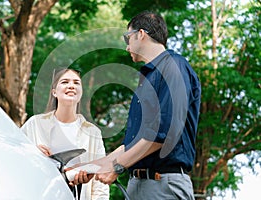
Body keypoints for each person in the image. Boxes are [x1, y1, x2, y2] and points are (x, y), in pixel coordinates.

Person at [74, 11, 201, 199]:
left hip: (163, 186)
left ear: (141, 34)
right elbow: (131, 144)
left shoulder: (174, 67)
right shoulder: (148, 79)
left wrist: (117, 167)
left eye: (128, 38)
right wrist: (90, 167)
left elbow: (163, 135)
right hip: (138, 186)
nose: (127, 47)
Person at [21, 69, 109, 200]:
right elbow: (13, 155)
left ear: (81, 93)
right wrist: (32, 152)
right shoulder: (34, 124)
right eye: (65, 82)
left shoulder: (93, 133)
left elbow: (99, 183)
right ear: (54, 92)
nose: (71, 85)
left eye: (76, 83)